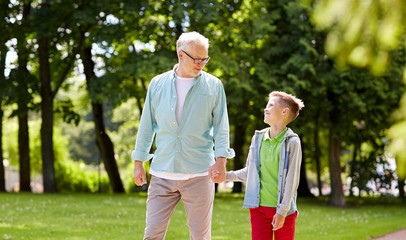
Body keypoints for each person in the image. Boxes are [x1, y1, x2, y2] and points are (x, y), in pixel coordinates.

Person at [132, 31, 235, 240]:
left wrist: (221, 161)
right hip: (162, 174)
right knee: (151, 235)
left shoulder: (214, 86)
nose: (201, 64)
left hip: (199, 174)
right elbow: (146, 126)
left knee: (200, 237)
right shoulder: (157, 84)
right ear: (181, 54)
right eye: (196, 59)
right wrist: (138, 162)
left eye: (205, 59)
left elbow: (221, 127)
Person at [219, 91, 304, 240]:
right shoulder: (258, 138)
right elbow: (250, 172)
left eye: (271, 105)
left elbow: (292, 180)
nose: (266, 109)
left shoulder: (292, 142)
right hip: (258, 208)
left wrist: (282, 211)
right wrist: (225, 176)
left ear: (284, 112)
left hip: (284, 211)